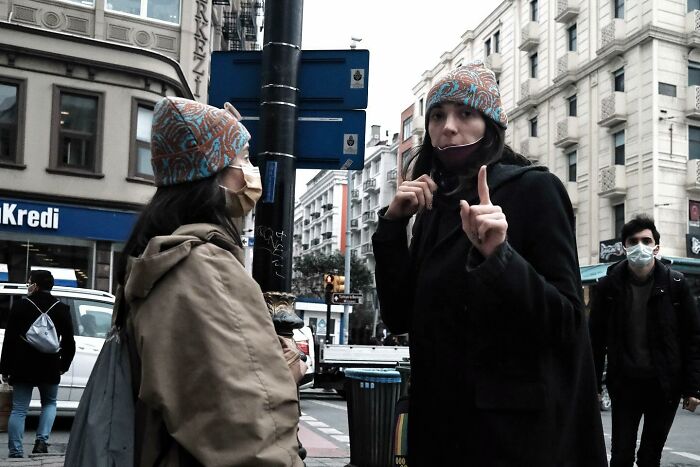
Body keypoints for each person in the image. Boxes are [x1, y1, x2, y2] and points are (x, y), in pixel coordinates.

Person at [372, 61, 607, 465]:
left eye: (466, 114)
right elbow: (400, 317)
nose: (448, 127)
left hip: (512, 439)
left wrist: (500, 256)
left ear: (490, 126)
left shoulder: (534, 189)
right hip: (440, 431)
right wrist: (393, 226)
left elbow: (568, 321)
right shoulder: (432, 206)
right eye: (437, 116)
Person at [117, 97, 302, 466]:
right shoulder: (203, 268)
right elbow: (243, 425)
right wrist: (284, 374)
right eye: (244, 157)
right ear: (213, 172)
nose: (252, 171)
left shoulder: (166, 256)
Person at [589, 215, 700, 467]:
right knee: (621, 456)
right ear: (624, 247)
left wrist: (693, 387)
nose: (640, 246)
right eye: (634, 240)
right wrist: (593, 384)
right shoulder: (608, 287)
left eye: (646, 240)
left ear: (656, 247)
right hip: (625, 384)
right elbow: (595, 340)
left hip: (664, 387)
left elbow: (692, 338)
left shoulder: (676, 284)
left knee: (651, 456)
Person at [0, 269, 75, 458]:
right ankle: (41, 442)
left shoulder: (20, 306)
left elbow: (9, 340)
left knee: (19, 409)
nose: (28, 284)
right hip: (50, 366)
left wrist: (5, 368)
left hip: (22, 365)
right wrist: (63, 365)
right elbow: (69, 342)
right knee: (49, 403)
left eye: (29, 281)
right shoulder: (62, 308)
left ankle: (16, 451)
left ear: (36, 285)